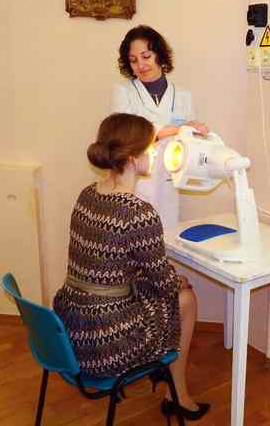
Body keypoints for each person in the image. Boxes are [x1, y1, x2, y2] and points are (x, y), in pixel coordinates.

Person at [53, 113, 210, 422]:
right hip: (107, 340)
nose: (154, 153)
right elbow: (164, 284)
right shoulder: (138, 212)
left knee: (168, 289)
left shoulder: (88, 194)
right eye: (150, 148)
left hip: (70, 327)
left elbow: (108, 264)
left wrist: (162, 278)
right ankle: (177, 395)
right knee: (186, 298)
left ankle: (167, 379)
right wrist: (175, 281)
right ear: (133, 159)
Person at [110, 25, 209, 231]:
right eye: (133, 60)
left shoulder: (182, 96)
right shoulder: (123, 92)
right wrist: (179, 128)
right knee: (134, 236)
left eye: (146, 56)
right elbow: (129, 134)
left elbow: (190, 140)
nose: (141, 65)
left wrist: (196, 134)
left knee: (166, 236)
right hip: (132, 181)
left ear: (159, 55)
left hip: (168, 180)